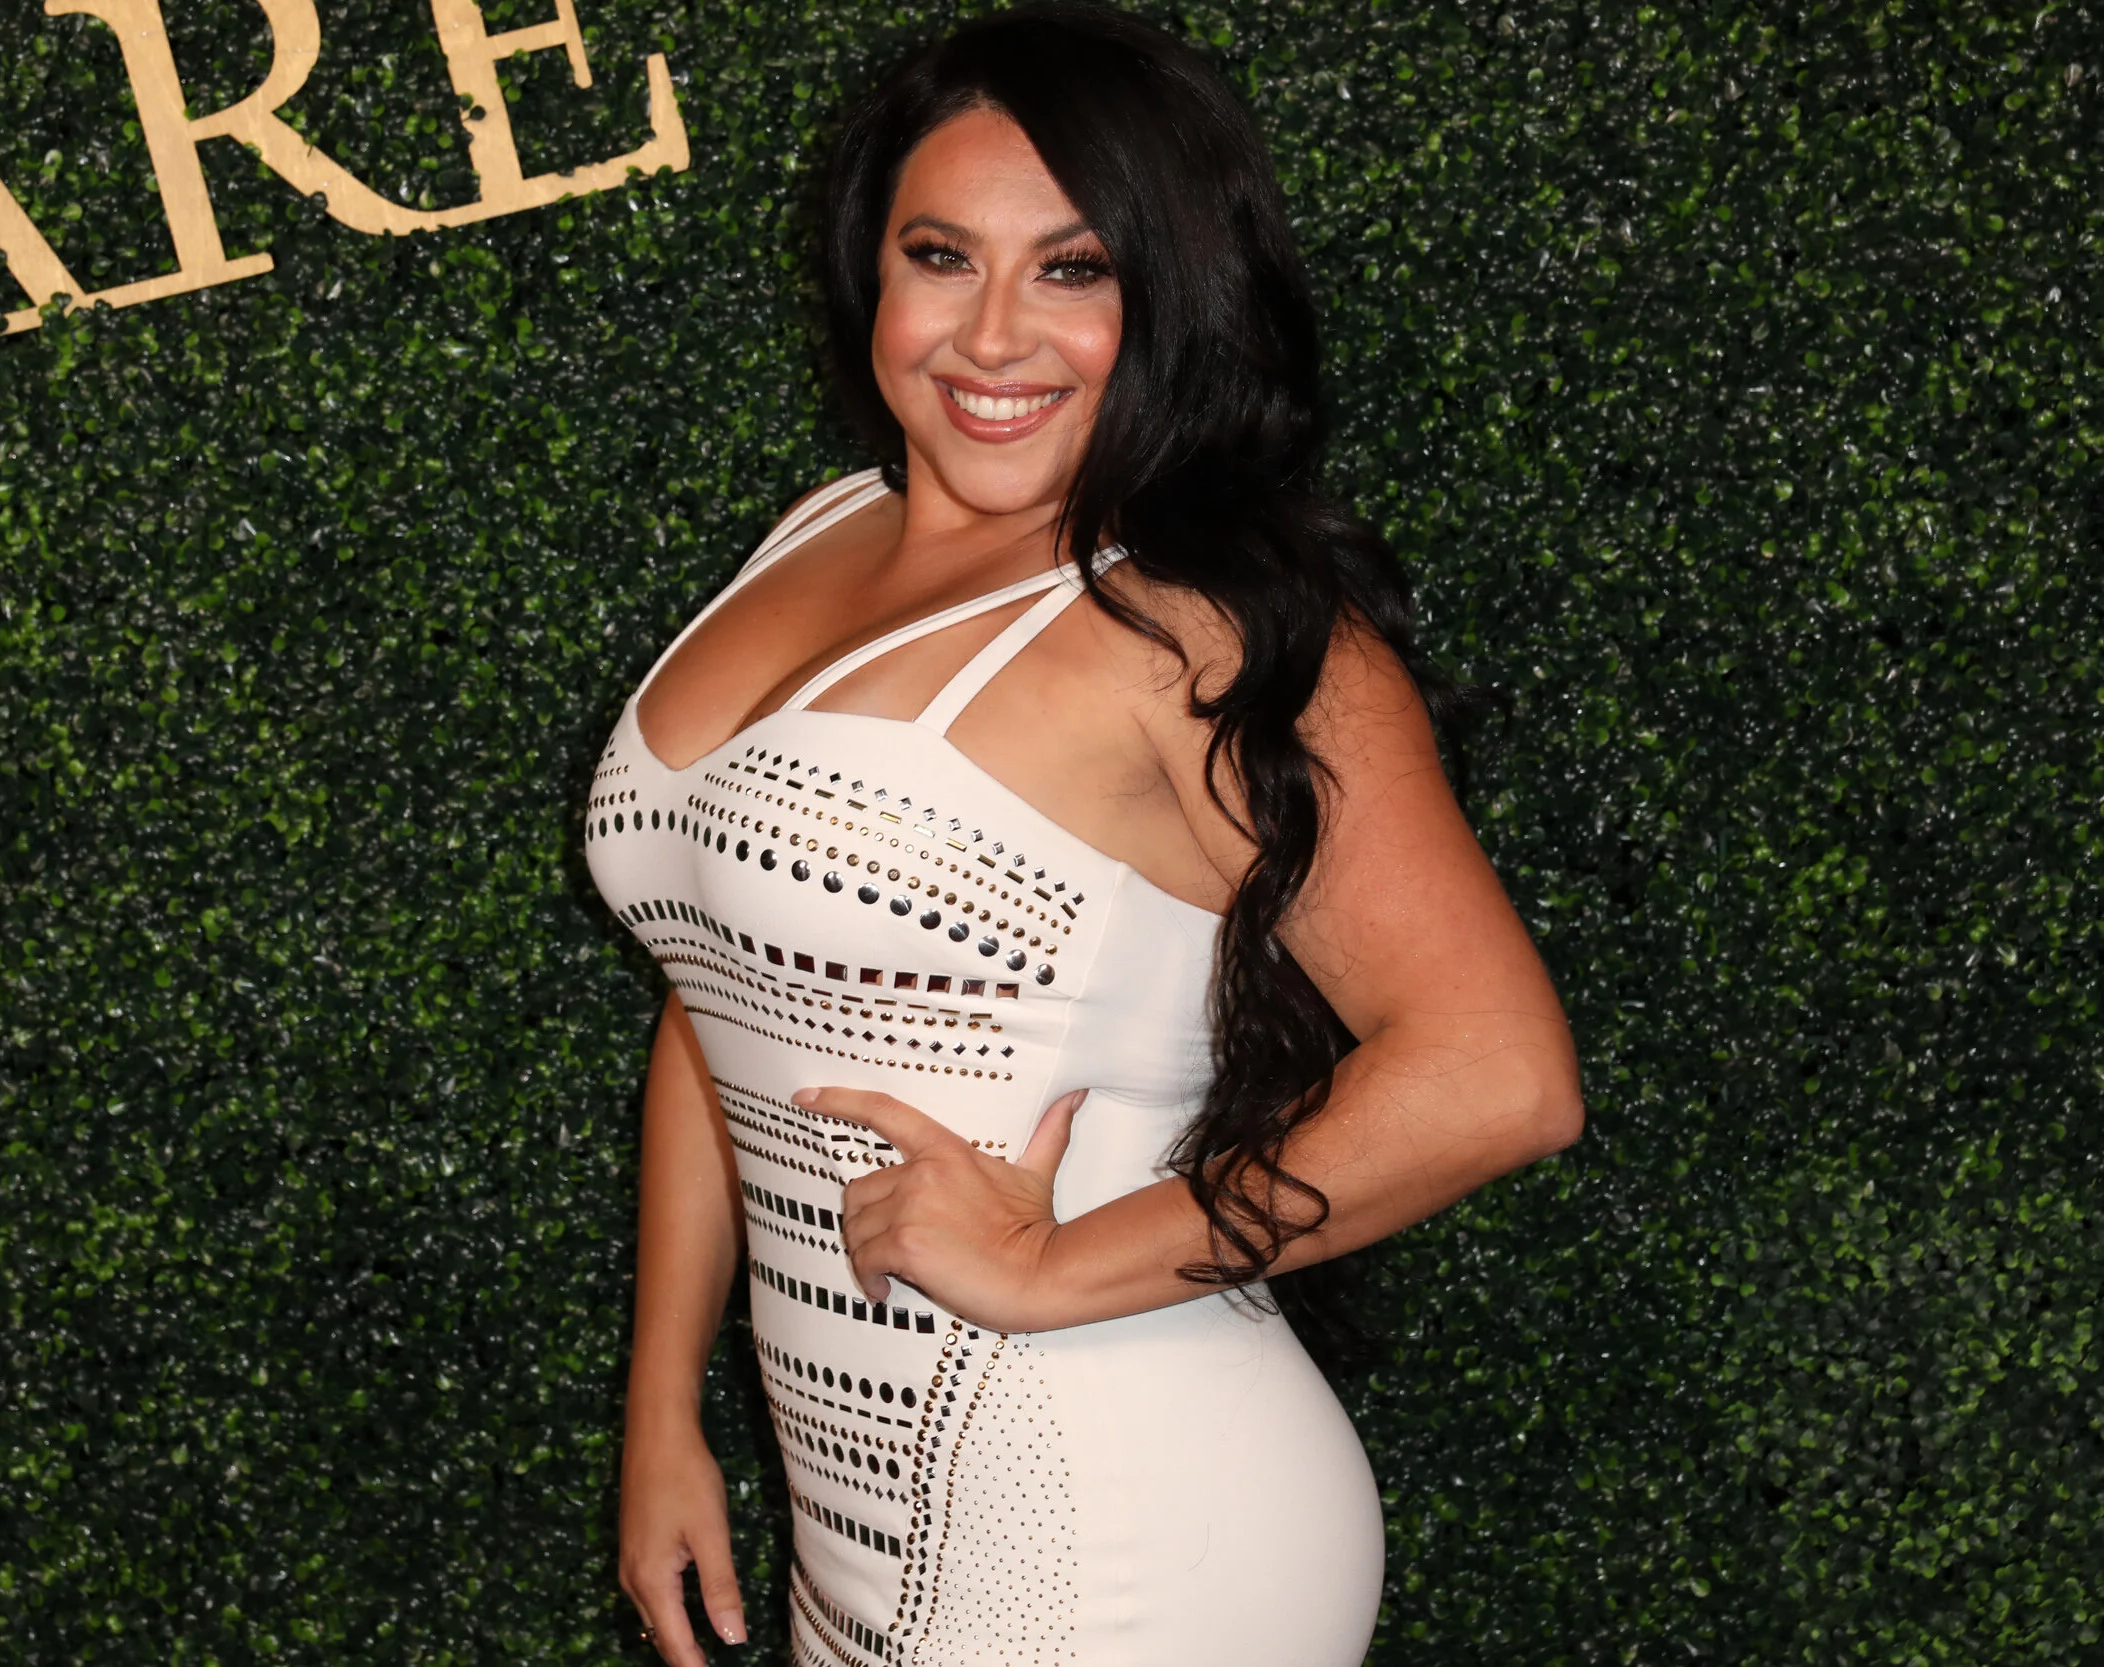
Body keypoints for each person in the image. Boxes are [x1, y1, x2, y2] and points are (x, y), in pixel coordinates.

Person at [581, 6, 1582, 1662]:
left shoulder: (1198, 627)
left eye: (1074, 269)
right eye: (941, 256)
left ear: (1173, 295)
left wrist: (1051, 1267)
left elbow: (1499, 1073)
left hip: (1117, 1506)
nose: (992, 335)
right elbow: (726, 987)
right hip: (854, 1516)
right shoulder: (818, 532)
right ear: (871, 270)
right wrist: (661, 1411)